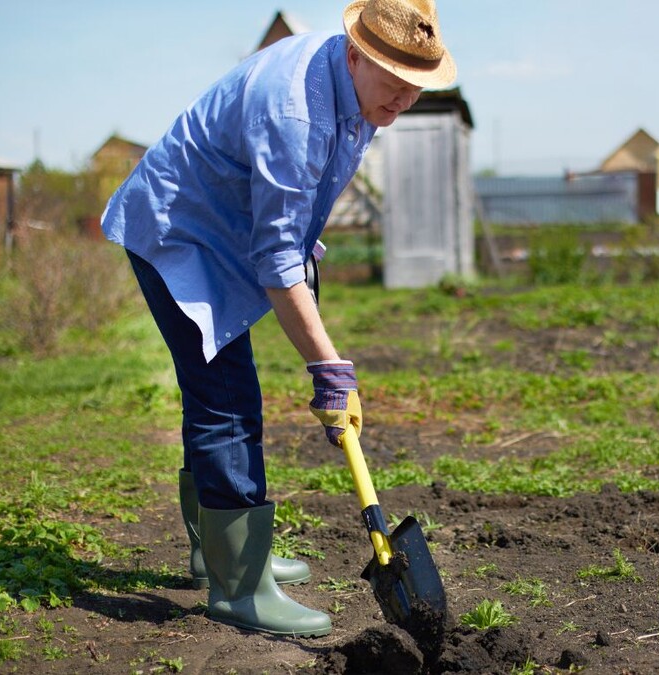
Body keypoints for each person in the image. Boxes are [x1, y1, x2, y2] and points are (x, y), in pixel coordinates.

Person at [99, 0, 456, 638]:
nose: (404, 100)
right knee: (227, 398)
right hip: (178, 233)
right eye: (396, 83)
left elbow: (293, 214)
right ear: (356, 55)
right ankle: (239, 588)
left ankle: (220, 555)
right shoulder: (295, 109)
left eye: (416, 88)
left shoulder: (358, 93)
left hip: (222, 230)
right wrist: (328, 366)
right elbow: (276, 258)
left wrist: (300, 251)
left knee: (217, 392)